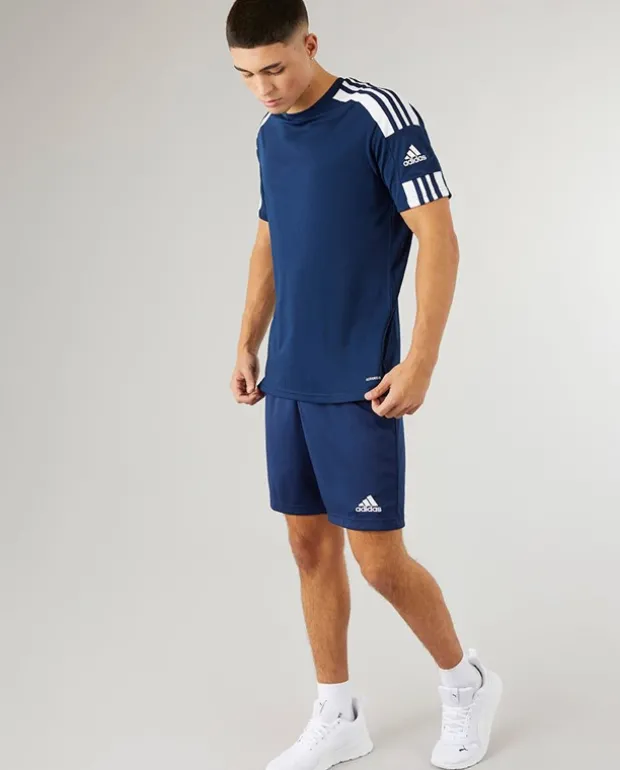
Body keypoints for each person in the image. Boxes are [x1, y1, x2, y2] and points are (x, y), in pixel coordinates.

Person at [226, 2, 502, 768]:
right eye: (246, 75)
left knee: (378, 561)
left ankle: (467, 684)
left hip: (362, 379)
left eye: (275, 68)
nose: (264, 88)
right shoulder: (270, 136)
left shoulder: (378, 116)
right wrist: (247, 340)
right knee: (308, 548)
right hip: (291, 377)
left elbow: (438, 236)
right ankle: (338, 712)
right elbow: (269, 240)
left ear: (309, 44)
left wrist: (422, 360)